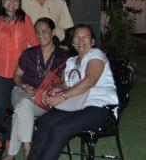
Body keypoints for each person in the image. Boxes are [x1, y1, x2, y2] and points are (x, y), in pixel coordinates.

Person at [28, 24, 118, 160]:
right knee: (44, 122)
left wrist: (62, 97)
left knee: (60, 129)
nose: (81, 41)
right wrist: (51, 90)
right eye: (77, 37)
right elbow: (65, 85)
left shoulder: (96, 54)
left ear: (93, 42)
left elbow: (89, 81)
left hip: (99, 108)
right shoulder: (71, 61)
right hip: (76, 105)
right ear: (72, 42)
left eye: (85, 37)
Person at [2, 17, 68, 160]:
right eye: (37, 32)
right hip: (21, 92)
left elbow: (65, 82)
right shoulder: (29, 53)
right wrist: (23, 86)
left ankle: (11, 154)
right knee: (23, 103)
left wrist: (49, 90)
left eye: (45, 31)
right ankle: (27, 149)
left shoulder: (62, 55)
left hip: (44, 97)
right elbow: (16, 76)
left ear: (53, 32)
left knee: (21, 110)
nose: (40, 35)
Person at [0, 0, 39, 152]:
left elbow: (35, 44)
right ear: (3, 1)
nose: (11, 3)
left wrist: (35, 65)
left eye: (15, 0)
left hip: (19, 72)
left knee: (14, 105)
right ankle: (1, 137)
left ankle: (12, 136)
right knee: (1, 105)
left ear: (19, 3)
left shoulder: (26, 20)